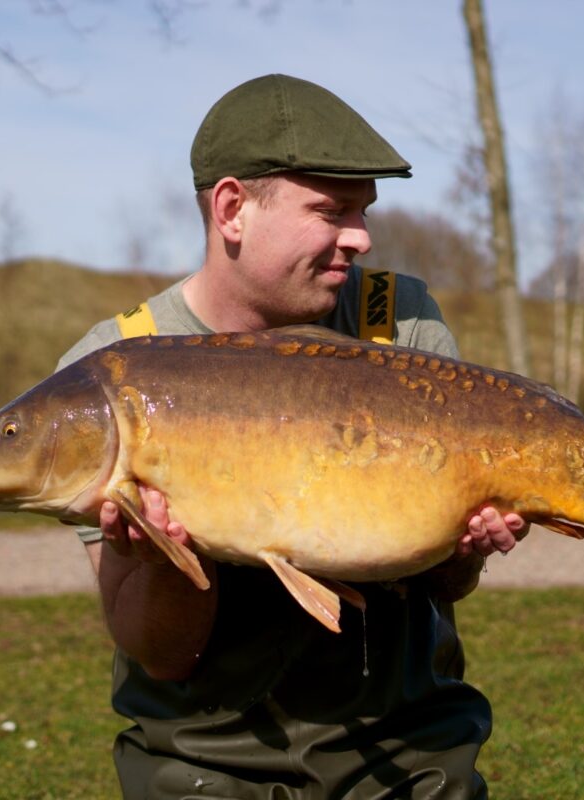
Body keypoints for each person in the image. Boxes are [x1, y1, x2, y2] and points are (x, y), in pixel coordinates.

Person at [57, 74, 526, 799]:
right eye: (332, 210)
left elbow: (448, 585)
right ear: (232, 209)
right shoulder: (116, 371)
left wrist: (465, 549)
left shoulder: (396, 321)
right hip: (203, 763)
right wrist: (160, 557)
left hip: (404, 749)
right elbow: (161, 655)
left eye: (363, 211)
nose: (361, 238)